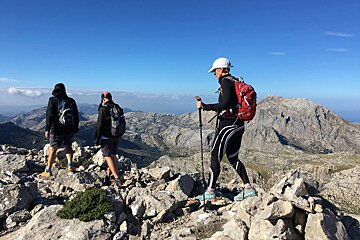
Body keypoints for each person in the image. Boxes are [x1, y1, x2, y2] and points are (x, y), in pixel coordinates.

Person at [195, 57, 256, 201]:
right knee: (233, 157)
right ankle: (248, 188)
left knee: (215, 156)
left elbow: (226, 102)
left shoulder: (225, 81)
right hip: (238, 124)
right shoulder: (235, 81)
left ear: (221, 69)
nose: (214, 74)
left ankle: (210, 192)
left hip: (227, 125)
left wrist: (205, 106)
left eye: (215, 71)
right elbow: (231, 103)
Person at [42, 83, 79, 177]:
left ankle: (48, 170)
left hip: (57, 129)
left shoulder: (53, 100)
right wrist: (75, 127)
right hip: (70, 129)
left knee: (53, 148)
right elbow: (76, 115)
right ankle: (70, 165)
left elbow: (49, 115)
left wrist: (47, 129)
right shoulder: (71, 101)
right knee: (68, 146)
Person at [94, 92, 124, 191]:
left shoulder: (103, 109)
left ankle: (117, 178)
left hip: (106, 137)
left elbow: (99, 126)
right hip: (117, 136)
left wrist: (96, 139)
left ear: (103, 99)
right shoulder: (117, 108)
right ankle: (107, 177)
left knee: (107, 156)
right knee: (112, 156)